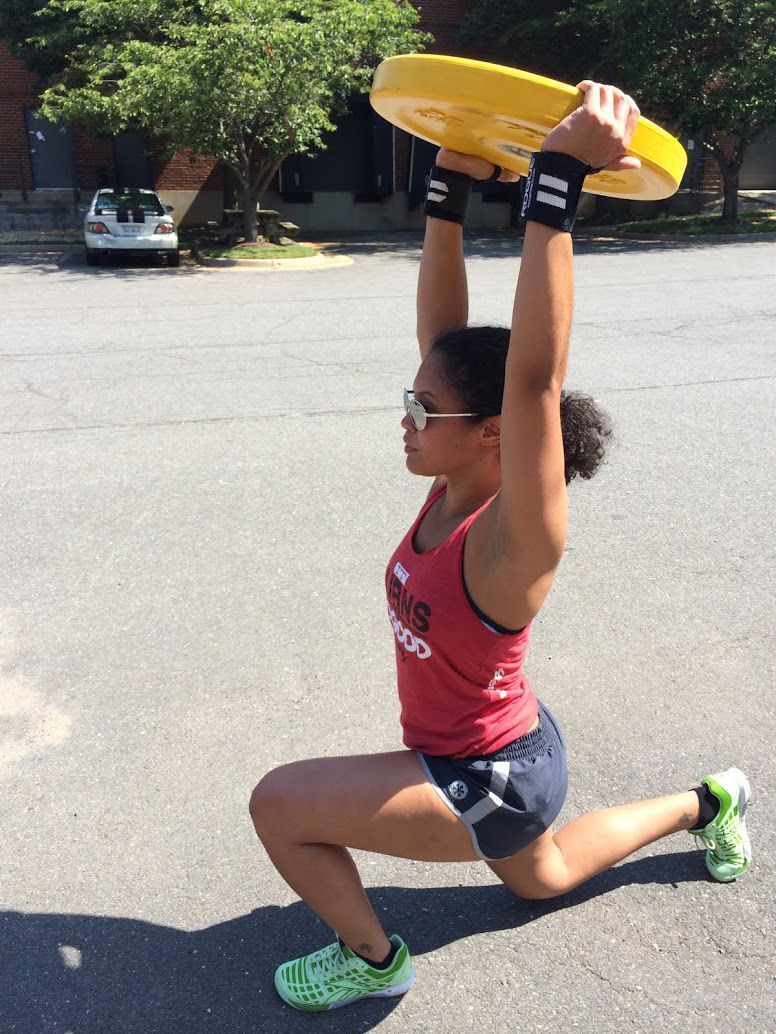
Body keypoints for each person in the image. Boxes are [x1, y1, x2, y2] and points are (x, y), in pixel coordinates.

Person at [249, 81, 752, 1013]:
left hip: (482, 776)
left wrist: (556, 179)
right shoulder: (455, 479)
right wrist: (448, 189)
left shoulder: (513, 539)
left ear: (491, 433)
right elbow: (448, 338)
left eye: (422, 408)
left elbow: (533, 382)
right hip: (517, 751)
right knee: (544, 879)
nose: (405, 419)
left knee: (278, 803)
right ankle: (709, 801)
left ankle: (373, 961)